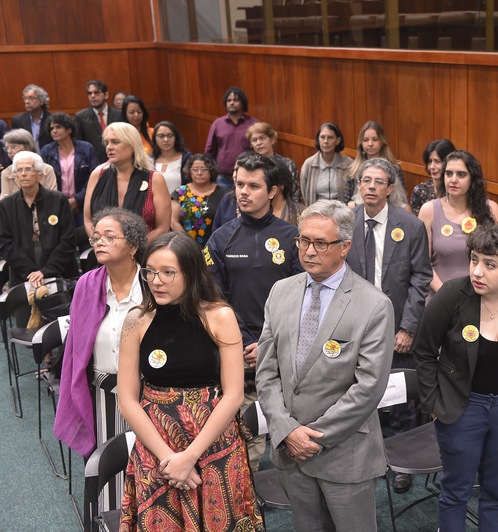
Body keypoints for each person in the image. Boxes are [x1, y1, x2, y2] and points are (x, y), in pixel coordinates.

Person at [255, 200, 394, 532]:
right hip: (291, 452)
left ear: (344, 246)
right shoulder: (280, 292)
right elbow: (266, 372)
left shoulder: (374, 305)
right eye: (303, 240)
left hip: (345, 454)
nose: (309, 251)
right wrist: (287, 431)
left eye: (320, 243)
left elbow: (369, 387)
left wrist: (313, 438)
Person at [117, 231, 264, 531]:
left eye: (168, 272)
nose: (156, 281)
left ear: (192, 272)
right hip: (157, 448)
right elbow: (128, 400)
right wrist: (170, 459)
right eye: (150, 272)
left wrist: (190, 456)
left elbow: (234, 395)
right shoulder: (136, 320)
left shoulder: (219, 316)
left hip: (214, 443)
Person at [414, 224, 498, 531]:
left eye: (490, 265)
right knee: (455, 492)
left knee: (497, 493)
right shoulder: (453, 294)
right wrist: (434, 403)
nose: (477, 271)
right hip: (462, 408)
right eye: (474, 260)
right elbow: (423, 352)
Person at [205, 153, 302, 470]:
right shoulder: (221, 238)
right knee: (249, 435)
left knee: (291, 431)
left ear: (273, 191)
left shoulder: (292, 238)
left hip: (284, 347)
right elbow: (214, 299)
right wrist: (247, 341)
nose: (243, 192)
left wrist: (268, 343)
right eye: (239, 184)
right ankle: (252, 492)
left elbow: (302, 299)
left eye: (253, 186)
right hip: (239, 350)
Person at [345, 158, 432, 493]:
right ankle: (369, 457)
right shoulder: (346, 223)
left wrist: (408, 327)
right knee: (359, 394)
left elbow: (421, 277)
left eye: (378, 181)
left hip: (397, 326)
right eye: (365, 180)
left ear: (390, 188)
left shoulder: (410, 225)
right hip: (355, 326)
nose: (370, 186)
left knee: (400, 396)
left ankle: (403, 464)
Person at [54, 207, 148, 512]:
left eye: (110, 236)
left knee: (146, 467)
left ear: (133, 245)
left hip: (148, 395)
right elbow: (77, 347)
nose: (100, 243)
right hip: (103, 395)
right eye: (96, 237)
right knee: (107, 470)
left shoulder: (151, 284)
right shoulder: (87, 284)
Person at [418, 150, 498, 295]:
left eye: (461, 174)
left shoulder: (492, 209)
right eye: (448, 174)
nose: (453, 180)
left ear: (472, 179)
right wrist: (446, 294)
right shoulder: (429, 210)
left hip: (482, 294)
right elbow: (422, 262)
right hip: (441, 294)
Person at [0, 151, 78, 287]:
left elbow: (68, 239)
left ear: (40, 175)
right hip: (23, 275)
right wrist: (30, 272)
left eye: (28, 169)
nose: (23, 174)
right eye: (19, 170)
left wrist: (46, 271)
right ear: (15, 176)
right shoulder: (6, 205)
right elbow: (5, 243)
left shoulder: (59, 200)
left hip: (60, 272)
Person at [84, 122, 171, 243]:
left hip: (145, 250)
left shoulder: (155, 179)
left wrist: (130, 248)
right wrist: (102, 243)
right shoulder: (97, 175)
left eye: (115, 142)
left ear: (132, 146)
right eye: (107, 142)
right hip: (103, 249)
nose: (109, 147)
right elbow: (88, 220)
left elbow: (163, 227)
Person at [39, 112, 98, 228]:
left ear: (69, 130)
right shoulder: (46, 151)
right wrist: (61, 200)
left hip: (83, 204)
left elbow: (94, 176)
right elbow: (44, 179)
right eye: (51, 128)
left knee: (85, 235)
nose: (54, 131)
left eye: (58, 127)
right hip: (57, 205)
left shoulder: (86, 148)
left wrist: (77, 199)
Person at [347, 121, 409, 209]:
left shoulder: (395, 169)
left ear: (382, 142)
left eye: (375, 139)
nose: (370, 144)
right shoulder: (353, 169)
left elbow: (401, 199)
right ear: (361, 143)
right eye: (365, 140)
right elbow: (347, 201)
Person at [205, 87, 258, 188]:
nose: (232, 103)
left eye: (236, 100)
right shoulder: (218, 124)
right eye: (229, 100)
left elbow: (259, 151)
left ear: (243, 103)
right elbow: (210, 151)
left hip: (248, 176)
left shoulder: (253, 124)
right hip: (222, 178)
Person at [170, 154, 227, 246]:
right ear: (189, 171)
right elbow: (173, 222)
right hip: (185, 246)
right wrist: (189, 244)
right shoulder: (180, 192)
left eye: (204, 169)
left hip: (215, 245)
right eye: (195, 169)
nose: (199, 173)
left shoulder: (224, 194)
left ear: (211, 171)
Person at [299, 122, 354, 205]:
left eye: (330, 138)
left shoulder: (348, 164)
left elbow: (353, 192)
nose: (326, 141)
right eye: (322, 137)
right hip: (316, 210)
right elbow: (304, 191)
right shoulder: (309, 164)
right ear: (318, 140)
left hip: (341, 210)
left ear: (338, 140)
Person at [246, 122, 300, 202]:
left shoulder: (288, 164)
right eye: (254, 140)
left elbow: (295, 194)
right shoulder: (249, 166)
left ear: (272, 140)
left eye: (262, 138)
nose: (258, 143)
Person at [74, 80, 123, 164]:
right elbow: (79, 144)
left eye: (96, 92)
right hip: (94, 163)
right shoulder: (80, 117)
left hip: (118, 161)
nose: (92, 96)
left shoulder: (119, 115)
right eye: (90, 93)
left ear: (106, 95)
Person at [1, 129, 58, 199]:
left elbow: (53, 199)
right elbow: (5, 202)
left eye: (13, 147)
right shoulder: (6, 173)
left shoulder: (47, 170)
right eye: (7, 148)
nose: (9, 151)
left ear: (28, 147)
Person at [410, 138, 456, 216]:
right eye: (430, 161)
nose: (432, 167)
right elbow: (416, 221)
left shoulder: (456, 190)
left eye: (437, 162)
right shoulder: (420, 190)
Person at [151, 121, 192, 193]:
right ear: (155, 138)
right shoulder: (149, 160)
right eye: (161, 136)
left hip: (181, 199)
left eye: (170, 135)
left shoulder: (187, 159)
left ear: (176, 137)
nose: (166, 139)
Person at [11, 84, 53, 151]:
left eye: (31, 98)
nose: (27, 102)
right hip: (27, 156)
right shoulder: (17, 120)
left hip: (47, 155)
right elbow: (15, 143)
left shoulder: (52, 119)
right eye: (25, 98)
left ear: (42, 101)